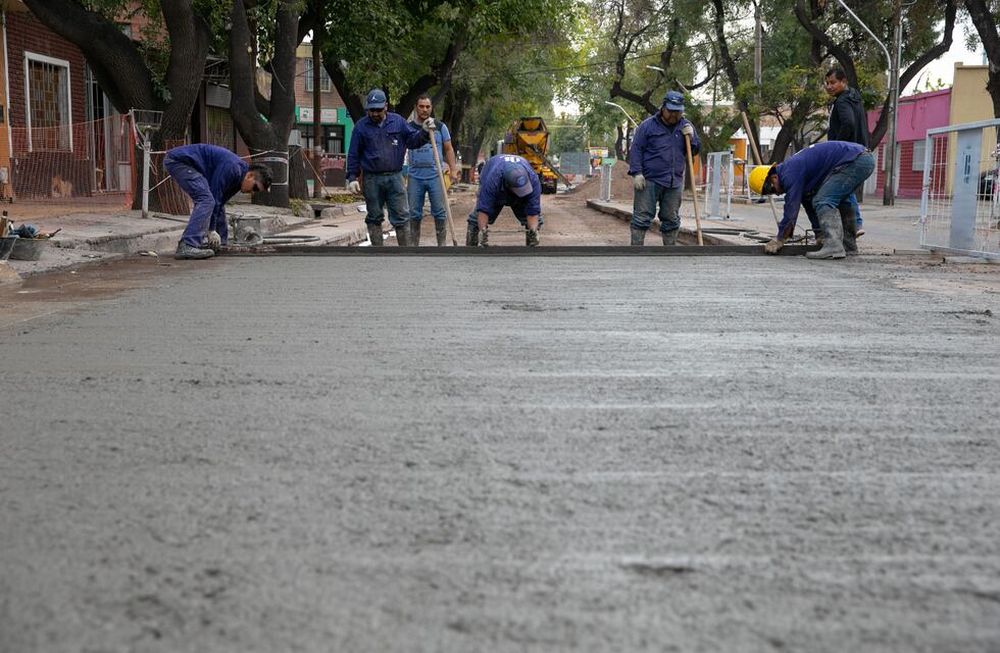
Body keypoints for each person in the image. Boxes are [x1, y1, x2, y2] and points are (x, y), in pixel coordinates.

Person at [749, 141, 875, 260]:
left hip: (856, 160)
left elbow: (791, 208)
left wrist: (780, 238)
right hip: (860, 159)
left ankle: (834, 246)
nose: (776, 193)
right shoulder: (795, 174)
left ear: (774, 177)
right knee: (841, 200)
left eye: (771, 189)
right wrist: (820, 234)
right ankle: (848, 246)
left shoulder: (790, 173)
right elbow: (809, 204)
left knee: (823, 200)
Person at [346, 88, 433, 246]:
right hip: (371, 179)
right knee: (374, 217)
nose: (374, 113)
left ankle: (405, 254)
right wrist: (352, 177)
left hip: (395, 178)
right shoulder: (361, 127)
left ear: (385, 106)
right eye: (371, 110)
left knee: (401, 216)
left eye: (378, 110)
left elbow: (413, 141)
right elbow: (353, 154)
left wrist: (424, 132)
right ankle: (378, 253)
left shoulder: (398, 122)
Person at [163, 143, 272, 260]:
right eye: (255, 187)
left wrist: (221, 242)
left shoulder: (238, 178)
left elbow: (219, 204)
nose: (253, 192)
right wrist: (211, 230)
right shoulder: (233, 168)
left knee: (213, 202)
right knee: (207, 200)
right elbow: (214, 197)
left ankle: (217, 243)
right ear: (250, 176)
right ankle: (187, 244)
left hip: (189, 165)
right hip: (179, 161)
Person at [627, 90, 700, 246]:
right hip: (649, 180)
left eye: (678, 112)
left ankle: (670, 251)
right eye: (671, 111)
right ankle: (636, 251)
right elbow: (636, 150)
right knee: (642, 217)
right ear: (663, 108)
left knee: (671, 218)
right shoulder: (647, 126)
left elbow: (693, 150)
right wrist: (637, 173)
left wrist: (692, 137)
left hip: (674, 181)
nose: (674, 115)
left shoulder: (686, 127)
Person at [407, 94, 459, 246]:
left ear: (431, 108)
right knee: (414, 213)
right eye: (421, 106)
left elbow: (449, 149)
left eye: (427, 107)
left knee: (439, 212)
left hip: (436, 176)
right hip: (415, 176)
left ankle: (441, 245)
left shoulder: (440, 127)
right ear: (416, 107)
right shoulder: (409, 128)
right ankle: (414, 246)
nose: (424, 110)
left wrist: (454, 170)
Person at [825, 66, 869, 235]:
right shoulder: (854, 98)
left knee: (840, 189)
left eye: (833, 82)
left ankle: (855, 224)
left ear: (843, 82)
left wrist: (837, 145)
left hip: (849, 154)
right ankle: (851, 228)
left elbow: (848, 124)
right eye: (827, 83)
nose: (829, 86)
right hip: (861, 149)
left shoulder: (842, 101)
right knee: (846, 189)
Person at [466, 154, 542, 247]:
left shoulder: (533, 181)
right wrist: (483, 232)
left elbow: (533, 211)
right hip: (497, 186)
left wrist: (533, 231)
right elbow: (483, 210)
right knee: (475, 221)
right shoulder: (491, 182)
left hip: (517, 191)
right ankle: (471, 251)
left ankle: (532, 246)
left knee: (536, 223)